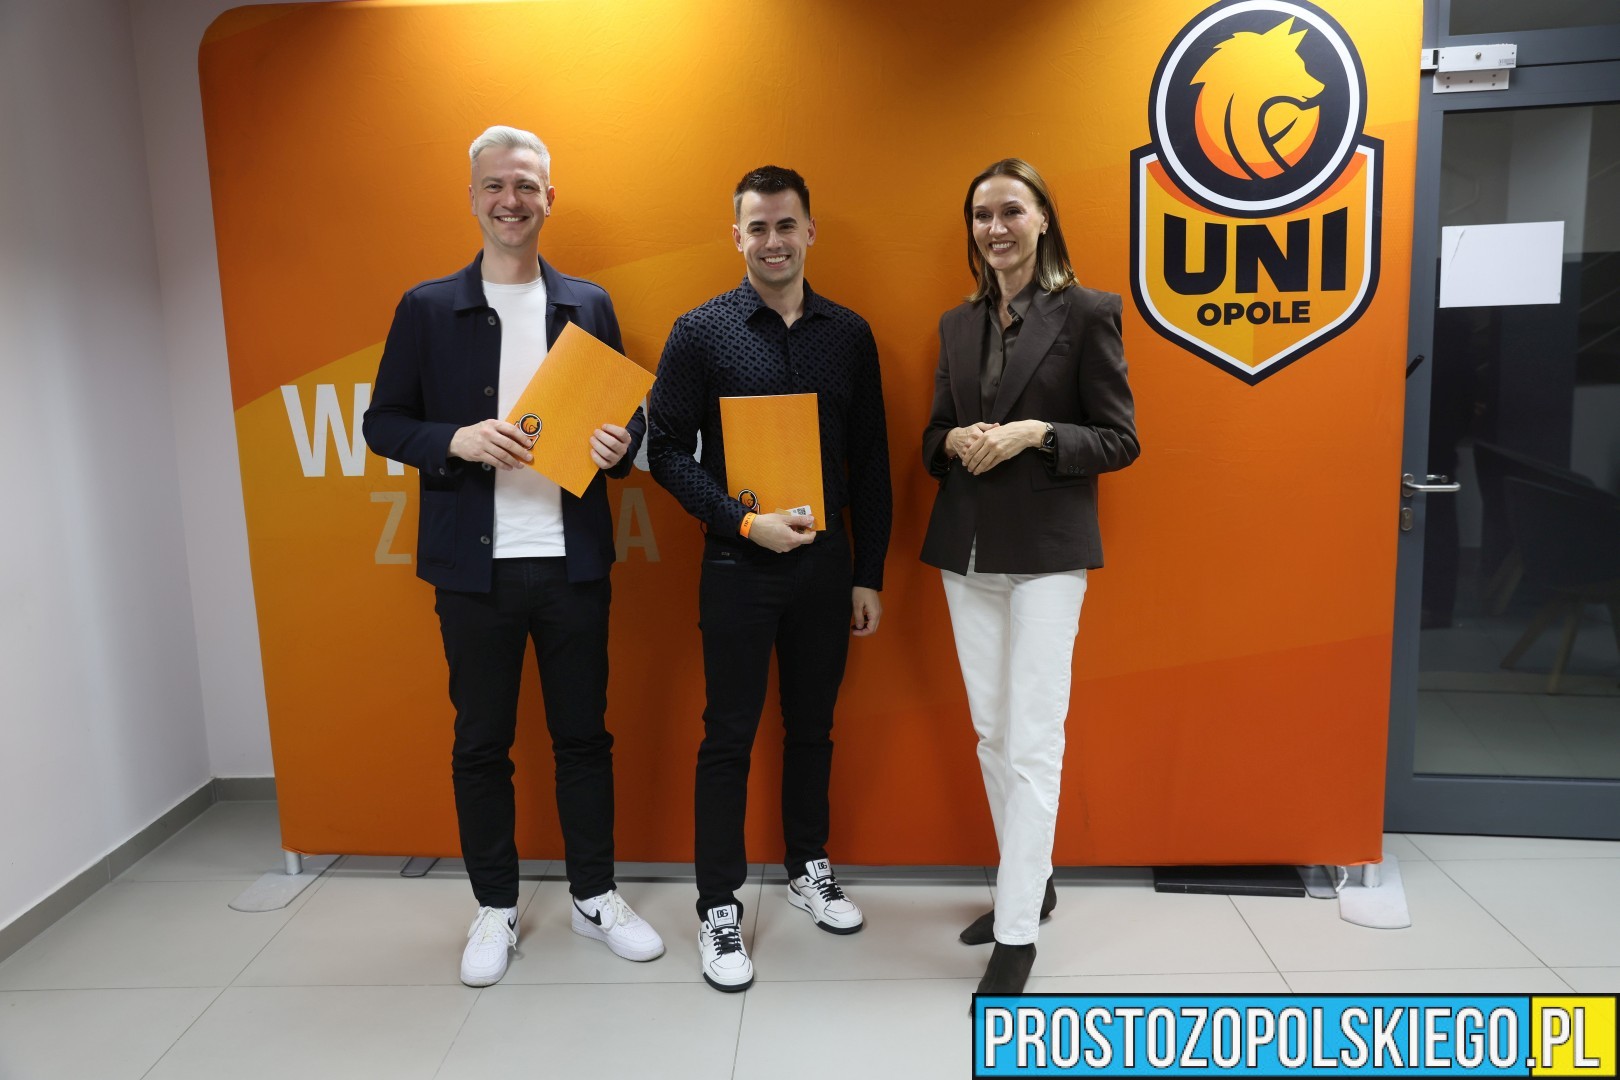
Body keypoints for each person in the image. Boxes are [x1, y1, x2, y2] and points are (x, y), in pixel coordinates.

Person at [363, 124, 664, 988]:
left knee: (583, 739)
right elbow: (383, 423)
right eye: (495, 185)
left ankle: (594, 896)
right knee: (481, 744)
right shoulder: (427, 308)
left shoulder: (588, 304)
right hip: (475, 572)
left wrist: (622, 442)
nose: (511, 200)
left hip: (572, 563)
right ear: (473, 198)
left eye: (526, 185)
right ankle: (493, 906)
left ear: (548, 198)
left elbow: (628, 418)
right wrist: (454, 439)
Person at [648, 165, 892, 993]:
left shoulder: (849, 334)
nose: (773, 240)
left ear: (809, 232)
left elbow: (870, 462)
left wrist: (868, 572)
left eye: (786, 225)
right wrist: (741, 521)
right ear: (737, 237)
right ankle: (718, 905)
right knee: (727, 735)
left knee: (813, 726)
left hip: (826, 566)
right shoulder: (701, 331)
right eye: (758, 227)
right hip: (738, 564)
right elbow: (664, 450)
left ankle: (806, 867)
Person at [920, 158, 1139, 999]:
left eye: (1011, 210)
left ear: (1043, 218)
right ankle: (1032, 882)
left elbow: (1119, 439)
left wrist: (1035, 434)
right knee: (992, 734)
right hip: (969, 550)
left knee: (1034, 741)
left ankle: (1017, 934)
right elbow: (933, 436)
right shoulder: (957, 323)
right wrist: (955, 441)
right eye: (981, 215)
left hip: (1048, 554)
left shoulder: (1089, 313)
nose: (995, 228)